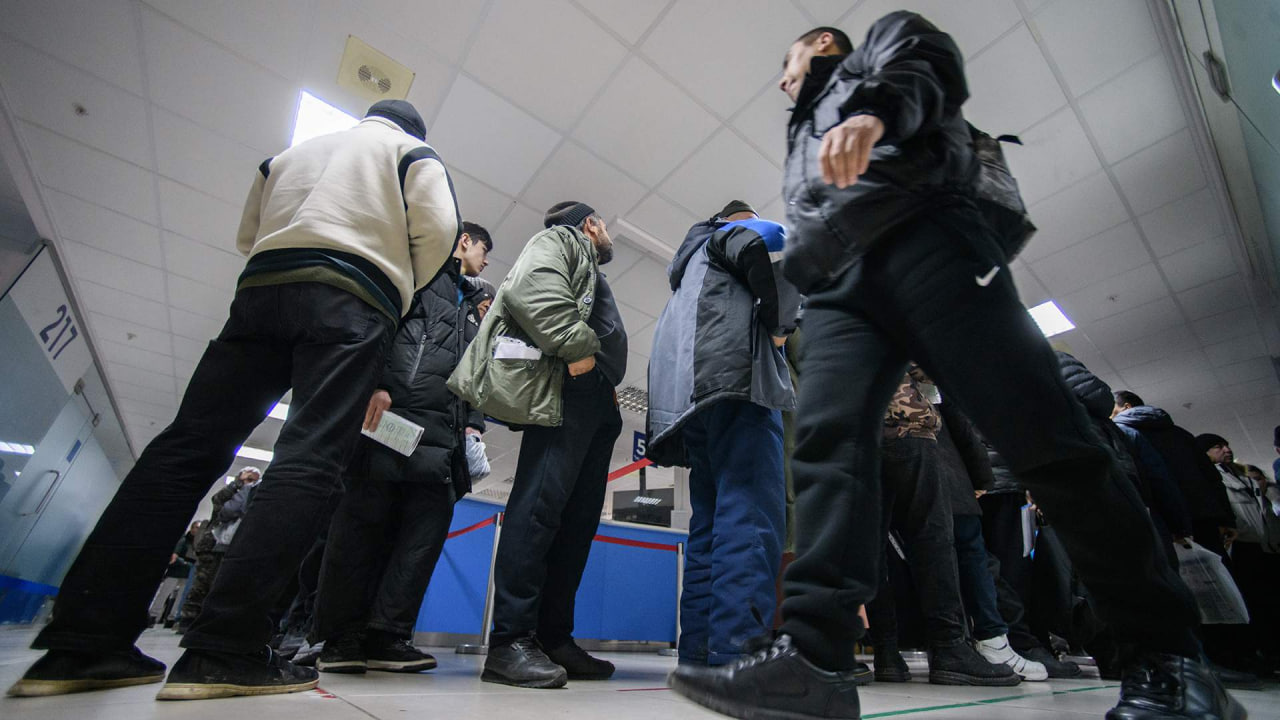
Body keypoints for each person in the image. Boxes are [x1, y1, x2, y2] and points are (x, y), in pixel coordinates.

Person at [668, 17, 1241, 720]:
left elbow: (928, 59)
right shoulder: (803, 127)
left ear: (819, 45)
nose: (783, 81)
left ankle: (1170, 657)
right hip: (844, 286)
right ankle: (814, 661)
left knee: (1049, 443)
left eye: (786, 64)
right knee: (828, 454)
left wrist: (875, 114)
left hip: (927, 233)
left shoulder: (878, 53)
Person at [9, 99, 459, 701]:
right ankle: (226, 647)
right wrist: (397, 288)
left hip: (262, 290)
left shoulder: (293, 154)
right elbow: (438, 233)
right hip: (354, 297)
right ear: (412, 128)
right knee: (310, 457)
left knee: (186, 448)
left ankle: (83, 643)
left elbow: (248, 234)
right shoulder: (413, 152)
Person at [450, 201, 626, 689]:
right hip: (569, 389)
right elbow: (531, 290)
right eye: (605, 226)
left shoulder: (587, 265)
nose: (607, 235)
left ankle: (553, 638)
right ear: (590, 224)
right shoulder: (560, 240)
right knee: (539, 510)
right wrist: (581, 354)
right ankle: (510, 641)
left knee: (575, 524)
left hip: (594, 399)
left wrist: (603, 381)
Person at [311, 223, 493, 675]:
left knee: (421, 539)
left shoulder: (473, 307)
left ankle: (388, 635)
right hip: (393, 418)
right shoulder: (419, 274)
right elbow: (380, 326)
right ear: (464, 241)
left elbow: (471, 372)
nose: (487, 260)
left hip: (443, 437)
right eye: (484, 249)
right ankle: (342, 637)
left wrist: (473, 426)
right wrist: (375, 382)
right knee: (362, 528)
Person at [646, 200, 800, 666]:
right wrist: (780, 326)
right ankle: (738, 654)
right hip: (740, 386)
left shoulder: (686, 272)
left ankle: (699, 653)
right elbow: (774, 247)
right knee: (750, 519)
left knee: (709, 530)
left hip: (694, 406)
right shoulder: (728, 234)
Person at [935, 402, 1047, 681]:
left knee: (935, 558)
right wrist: (982, 478)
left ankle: (942, 647)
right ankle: (993, 640)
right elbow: (963, 430)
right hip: (952, 475)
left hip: (906, 473)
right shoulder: (942, 383)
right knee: (975, 556)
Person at [176, 468, 261, 634]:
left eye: (253, 480)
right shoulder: (231, 494)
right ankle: (187, 620)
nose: (250, 482)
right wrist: (239, 483)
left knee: (219, 586)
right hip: (211, 546)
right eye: (248, 478)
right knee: (200, 585)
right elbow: (220, 503)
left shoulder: (252, 495)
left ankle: (207, 621)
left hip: (232, 547)